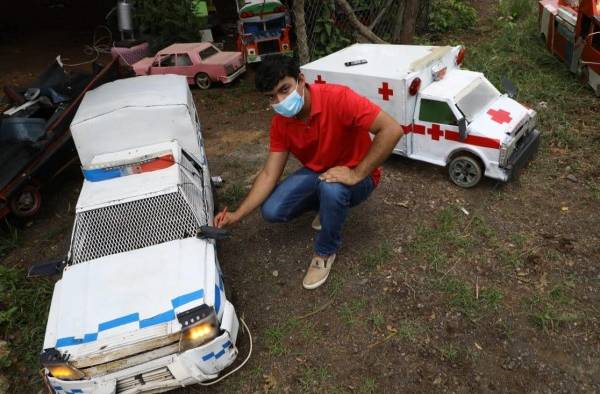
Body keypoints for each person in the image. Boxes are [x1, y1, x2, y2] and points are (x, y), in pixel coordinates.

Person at [215, 55, 402, 290]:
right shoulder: (281, 123)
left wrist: (356, 174)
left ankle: (325, 252)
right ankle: (326, 209)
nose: (280, 101)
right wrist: (237, 214)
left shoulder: (338, 97)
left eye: (284, 89)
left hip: (358, 177)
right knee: (272, 210)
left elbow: (392, 129)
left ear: (301, 80)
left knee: (332, 188)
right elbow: (268, 175)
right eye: (271, 97)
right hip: (320, 172)